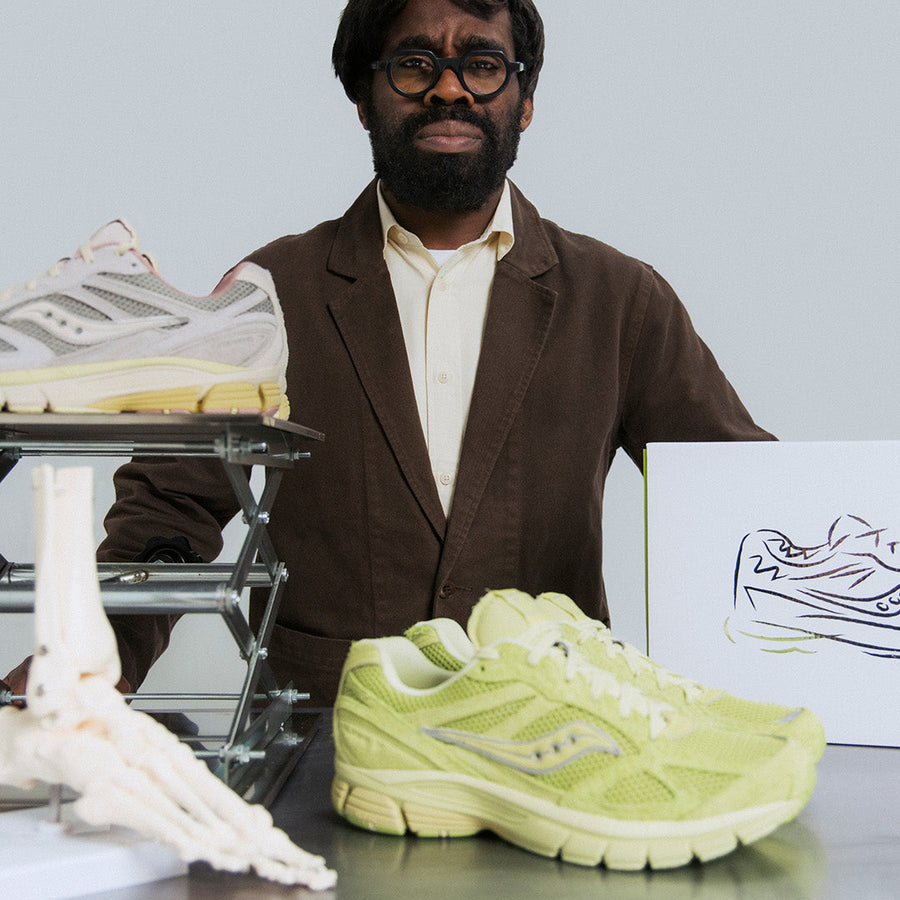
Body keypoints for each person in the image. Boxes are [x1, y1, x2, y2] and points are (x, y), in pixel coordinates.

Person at [6, 0, 773, 705]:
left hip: (557, 734)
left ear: (525, 100)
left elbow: (747, 505)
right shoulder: (269, 294)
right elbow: (169, 509)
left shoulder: (620, 299)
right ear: (364, 99)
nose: (448, 90)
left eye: (481, 63)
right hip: (321, 740)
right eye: (413, 64)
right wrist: (83, 659)